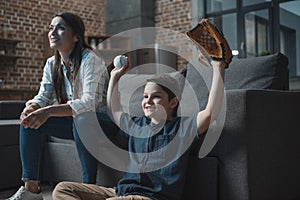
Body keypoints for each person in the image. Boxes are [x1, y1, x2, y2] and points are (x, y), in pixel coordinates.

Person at [51, 46, 228, 200]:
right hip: (120, 192)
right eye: (145, 97)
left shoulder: (182, 128)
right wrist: (115, 77)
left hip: (150, 197)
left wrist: (218, 66)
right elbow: (115, 110)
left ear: (172, 103)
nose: (148, 101)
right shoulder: (136, 125)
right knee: (63, 189)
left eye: (156, 96)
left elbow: (211, 111)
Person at [7, 12, 110, 200]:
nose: (53, 32)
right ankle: (31, 189)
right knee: (31, 122)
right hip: (77, 124)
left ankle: (89, 189)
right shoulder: (52, 63)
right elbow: (43, 95)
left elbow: (90, 104)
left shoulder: (91, 60)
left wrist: (48, 111)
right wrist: (33, 107)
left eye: (60, 28)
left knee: (83, 117)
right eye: (51, 28)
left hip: (102, 124)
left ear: (76, 36)